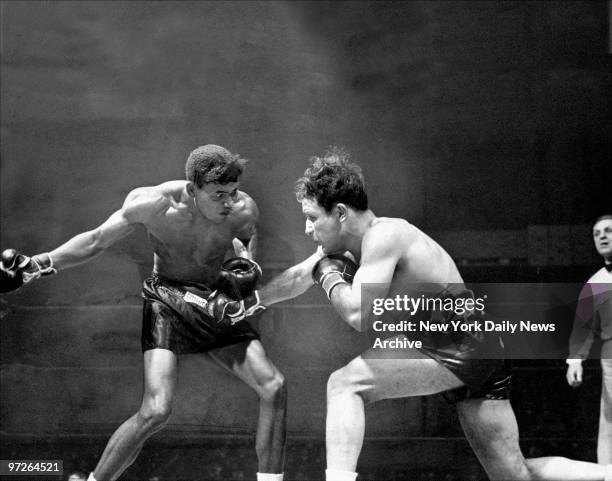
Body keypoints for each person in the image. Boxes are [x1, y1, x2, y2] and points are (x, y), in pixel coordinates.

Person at [255, 147, 612, 481]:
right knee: (514, 474)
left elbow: (356, 314)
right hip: (476, 347)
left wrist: (328, 274)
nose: (307, 229)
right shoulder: (353, 246)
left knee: (344, 384)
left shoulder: (385, 236)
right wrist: (251, 302)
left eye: (311, 218)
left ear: (341, 213)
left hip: (461, 342)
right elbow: (298, 277)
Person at [0, 145, 286, 481]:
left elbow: (249, 245)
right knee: (155, 411)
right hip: (167, 300)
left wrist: (246, 270)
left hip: (212, 302)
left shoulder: (243, 209)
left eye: (233, 192)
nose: (229, 202)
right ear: (193, 189)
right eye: (219, 194)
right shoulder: (152, 204)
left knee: (274, 386)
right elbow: (95, 240)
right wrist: (41, 263)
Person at [567, 215, 612, 464]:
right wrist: (574, 361)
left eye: (608, 230)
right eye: (597, 233)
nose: (602, 236)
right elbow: (582, 327)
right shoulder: (595, 283)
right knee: (609, 421)